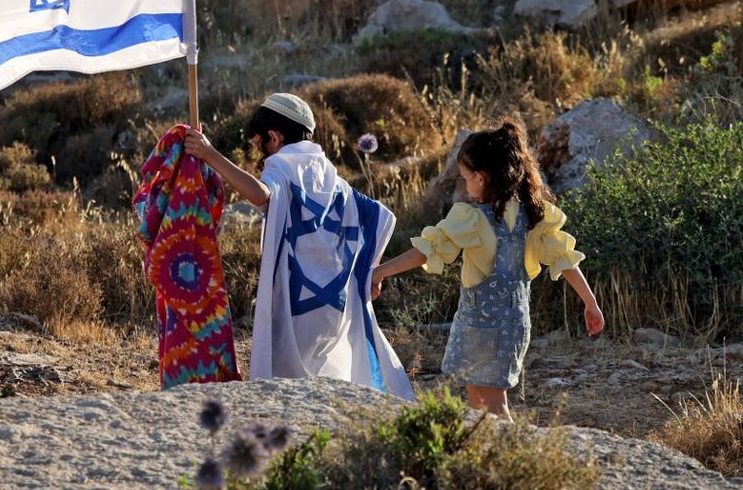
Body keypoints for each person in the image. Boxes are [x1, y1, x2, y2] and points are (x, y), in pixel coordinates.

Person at [371, 116, 605, 420]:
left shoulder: (472, 218)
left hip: (478, 326)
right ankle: (486, 459)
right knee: (482, 404)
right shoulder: (534, 216)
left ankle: (513, 461)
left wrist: (379, 272)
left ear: (481, 177)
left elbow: (424, 251)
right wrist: (591, 303)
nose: (465, 186)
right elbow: (566, 258)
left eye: (465, 177)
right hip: (513, 325)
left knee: (492, 405)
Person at [186, 93, 414, 399]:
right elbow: (378, 217)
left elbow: (261, 195)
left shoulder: (282, 165)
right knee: (326, 379)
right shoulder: (329, 173)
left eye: (259, 144)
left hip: (297, 301)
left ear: (274, 137)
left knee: (287, 386)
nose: (260, 154)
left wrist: (210, 155)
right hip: (334, 301)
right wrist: (370, 272)